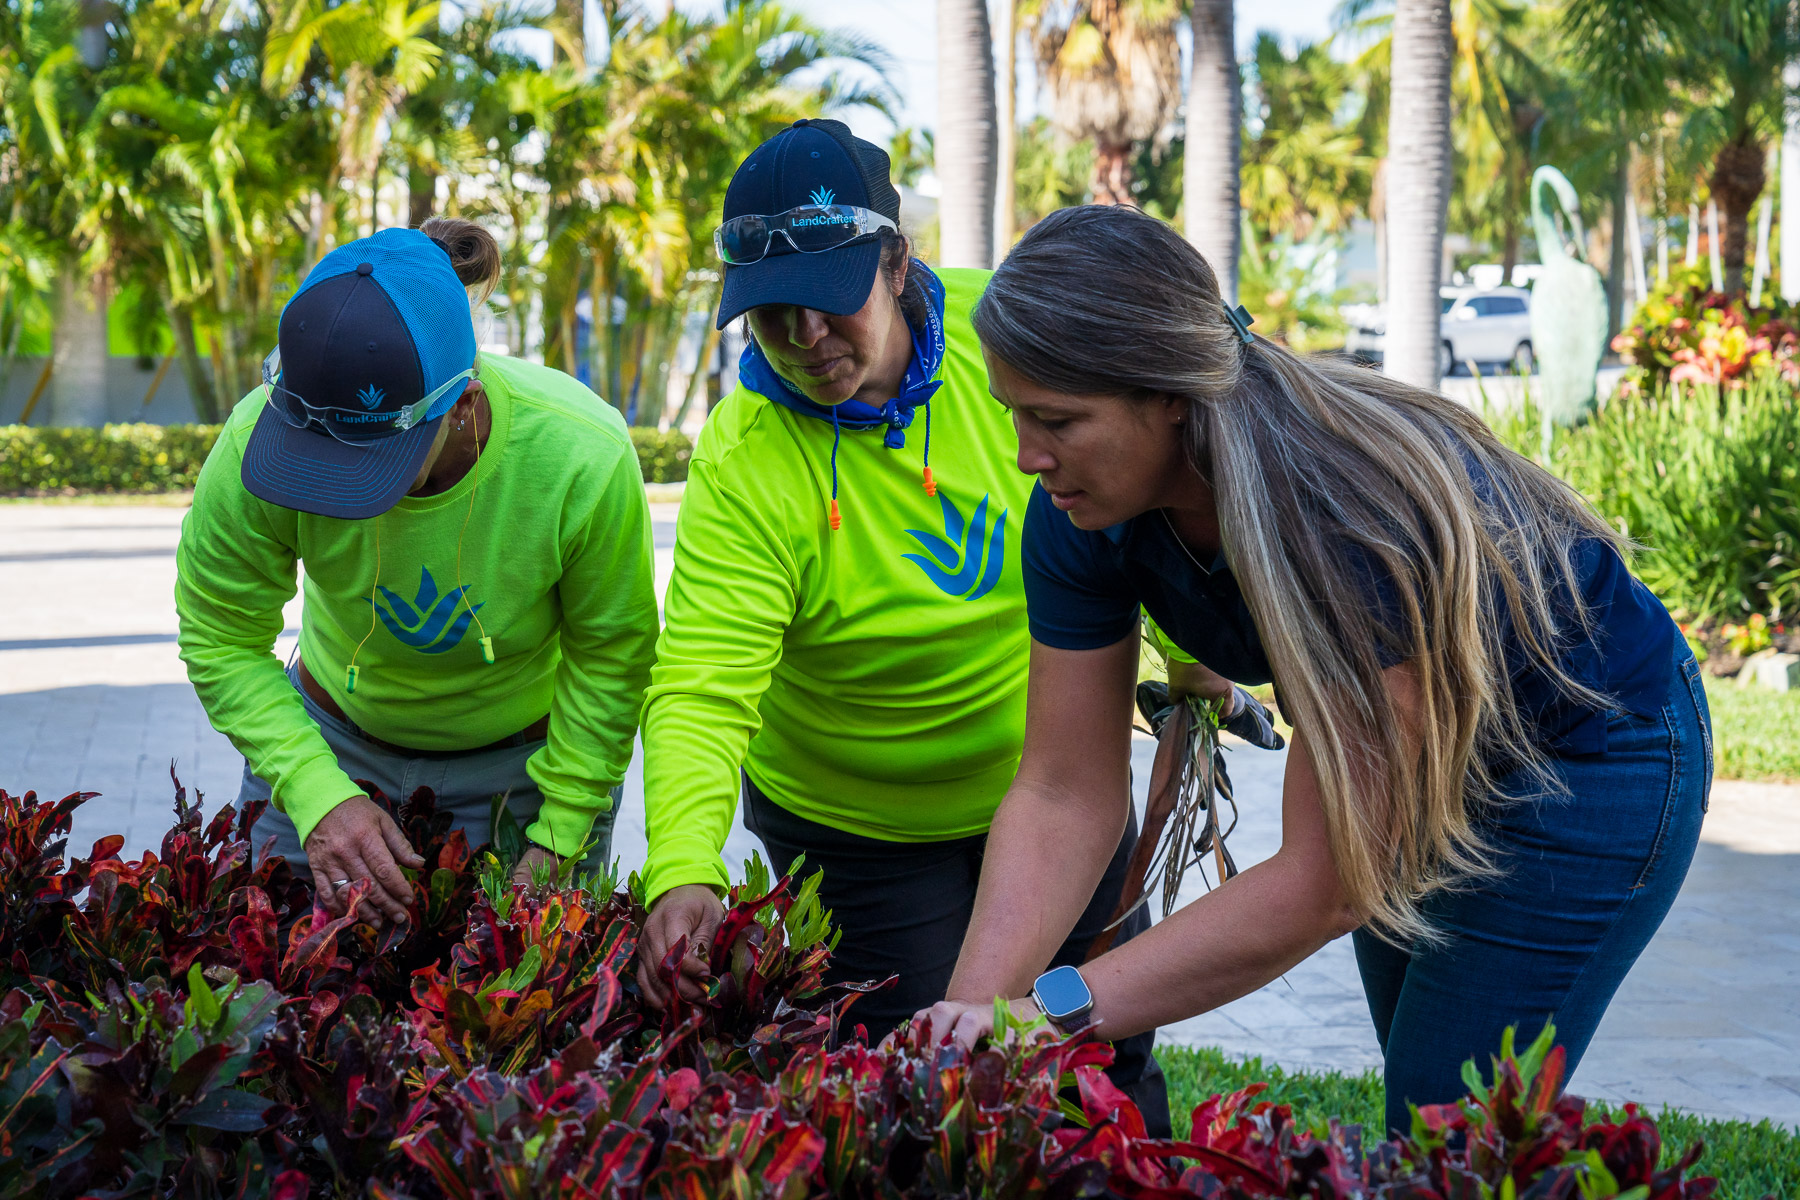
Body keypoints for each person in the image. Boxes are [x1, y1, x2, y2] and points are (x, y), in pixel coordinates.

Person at [914, 205, 1710, 1134]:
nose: (1025, 456)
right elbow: (1061, 791)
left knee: (1448, 1121)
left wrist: (1048, 1014)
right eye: (1014, 414)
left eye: (1057, 420)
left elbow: (1324, 883)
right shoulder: (1079, 512)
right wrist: (966, 1019)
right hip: (1423, 748)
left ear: (1168, 393)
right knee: (1436, 1112)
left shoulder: (1338, 514)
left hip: (1587, 753)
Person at [633, 119, 1171, 1131]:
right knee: (923, 1090)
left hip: (1053, 779)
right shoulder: (744, 457)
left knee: (1101, 1058)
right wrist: (683, 871)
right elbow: (701, 691)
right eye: (768, 315)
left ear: (896, 261)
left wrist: (1191, 658)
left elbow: (1155, 469)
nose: (804, 340)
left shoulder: (1004, 333)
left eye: (829, 302)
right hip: (860, 830)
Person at [176, 218, 659, 927]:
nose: (338, 483)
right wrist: (317, 794)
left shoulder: (579, 452)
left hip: (525, 766)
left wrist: (559, 836)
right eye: (319, 455)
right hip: (331, 741)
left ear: (461, 405)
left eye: (374, 463)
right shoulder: (258, 440)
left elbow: (612, 656)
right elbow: (220, 633)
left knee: (523, 1012)